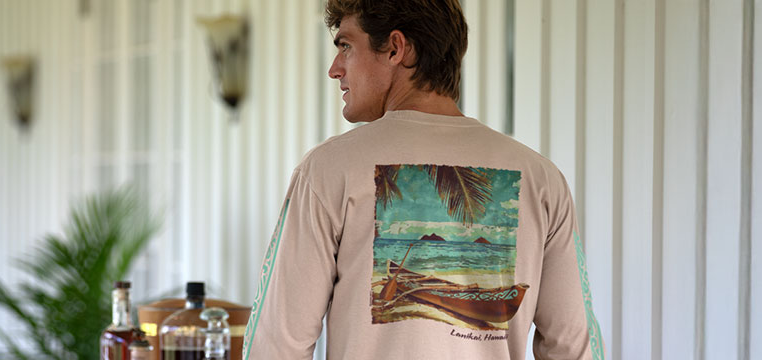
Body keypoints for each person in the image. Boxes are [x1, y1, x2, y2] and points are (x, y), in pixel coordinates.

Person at [239, 0, 605, 359]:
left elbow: (276, 348)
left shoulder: (328, 170)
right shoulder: (541, 179)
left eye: (346, 46)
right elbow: (573, 349)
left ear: (396, 48)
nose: (335, 69)